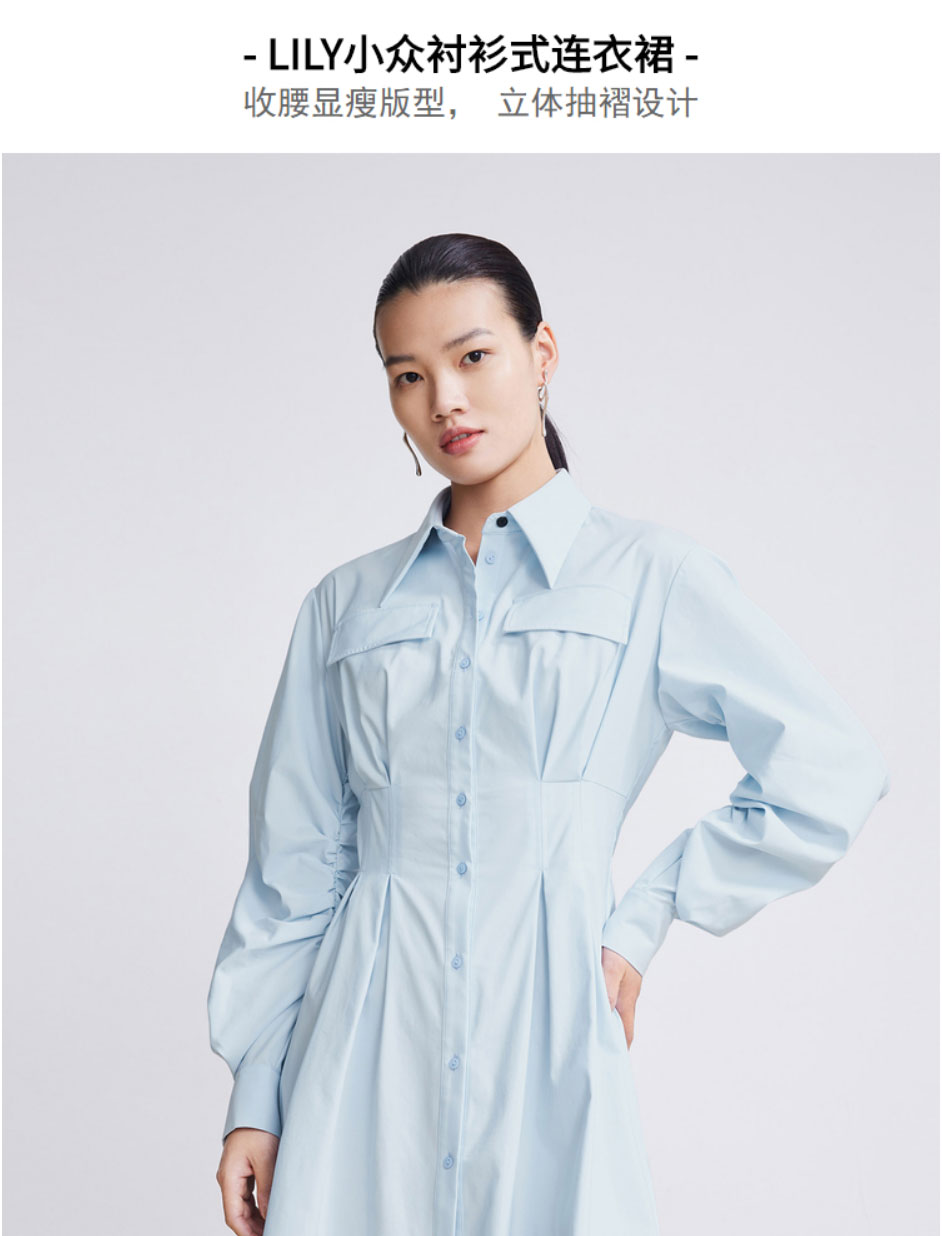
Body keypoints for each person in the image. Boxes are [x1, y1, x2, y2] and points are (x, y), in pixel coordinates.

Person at [208, 233, 891, 1236]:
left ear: (542, 355)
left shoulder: (650, 577)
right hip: (358, 1065)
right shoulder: (345, 606)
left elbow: (830, 766)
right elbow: (293, 871)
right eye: (409, 374)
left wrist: (647, 913)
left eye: (473, 356)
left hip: (552, 1049)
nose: (444, 400)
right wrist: (257, 1102)